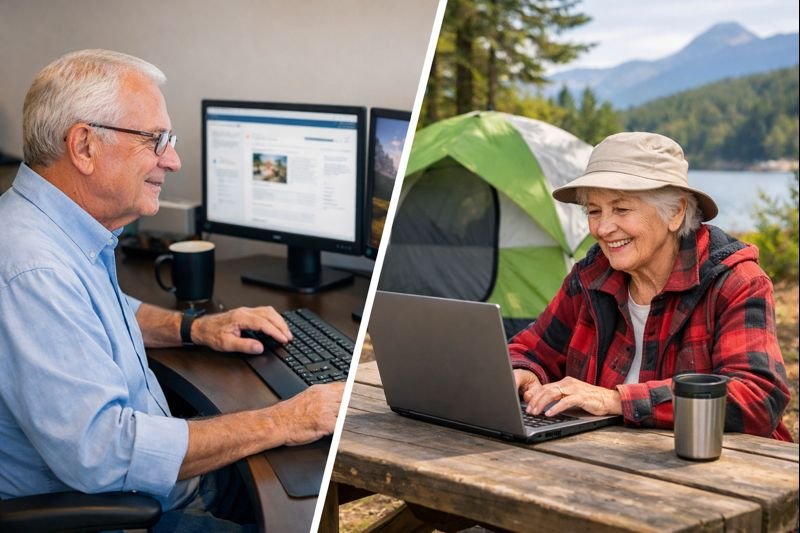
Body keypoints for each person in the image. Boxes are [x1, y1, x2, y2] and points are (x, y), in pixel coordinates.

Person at [0, 49, 344, 529]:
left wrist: (197, 327)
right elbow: (104, 455)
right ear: (83, 146)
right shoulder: (33, 269)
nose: (174, 160)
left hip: (159, 486)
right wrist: (284, 421)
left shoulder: (50, 233)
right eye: (155, 139)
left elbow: (107, 311)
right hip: (120, 514)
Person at [510, 131, 792, 441]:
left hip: (720, 474)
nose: (603, 228)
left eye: (622, 209)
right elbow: (530, 349)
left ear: (675, 212)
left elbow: (758, 397)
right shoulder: (590, 277)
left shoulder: (735, 282)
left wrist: (614, 400)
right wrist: (522, 371)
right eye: (593, 210)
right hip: (599, 464)